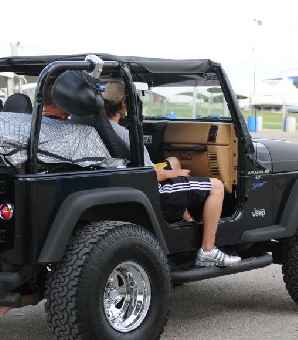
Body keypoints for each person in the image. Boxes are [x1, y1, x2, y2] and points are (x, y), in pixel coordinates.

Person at [102, 81, 241, 268]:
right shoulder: (127, 135)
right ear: (125, 105)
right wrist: (176, 174)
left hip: (126, 185)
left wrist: (173, 170)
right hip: (155, 189)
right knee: (216, 186)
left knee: (174, 160)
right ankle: (208, 250)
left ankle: (189, 222)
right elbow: (151, 174)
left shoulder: (101, 128)